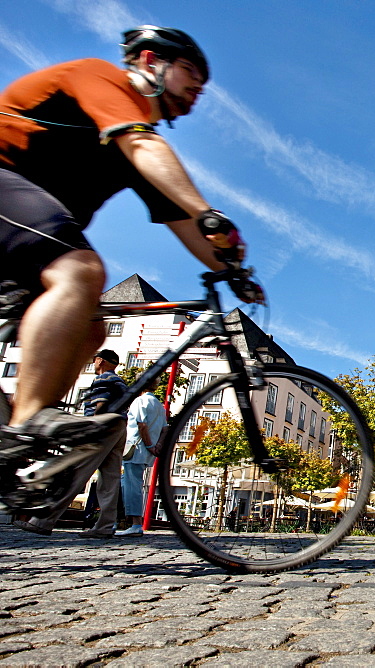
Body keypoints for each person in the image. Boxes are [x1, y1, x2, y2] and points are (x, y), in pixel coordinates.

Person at [0, 26, 263, 515]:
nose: (198, 90)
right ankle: (27, 426)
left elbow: (185, 223)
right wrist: (210, 213)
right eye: (191, 74)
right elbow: (148, 153)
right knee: (80, 271)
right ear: (149, 61)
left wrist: (233, 268)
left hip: (21, 235)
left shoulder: (136, 142)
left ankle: (21, 441)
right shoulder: (101, 82)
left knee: (92, 325)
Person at [12, 349, 128, 537]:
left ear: (100, 360)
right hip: (120, 426)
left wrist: (93, 427)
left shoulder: (103, 379)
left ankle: (44, 520)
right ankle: (105, 526)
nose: (94, 363)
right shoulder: (120, 381)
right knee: (110, 479)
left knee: (76, 473)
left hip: (103, 426)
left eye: (95, 360)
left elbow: (101, 403)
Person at [116, 379, 167, 537]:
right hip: (147, 451)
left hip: (136, 448)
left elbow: (141, 425)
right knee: (128, 483)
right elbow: (165, 428)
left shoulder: (140, 401)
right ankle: (125, 520)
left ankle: (135, 523)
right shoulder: (159, 405)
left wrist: (149, 444)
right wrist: (157, 446)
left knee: (132, 485)